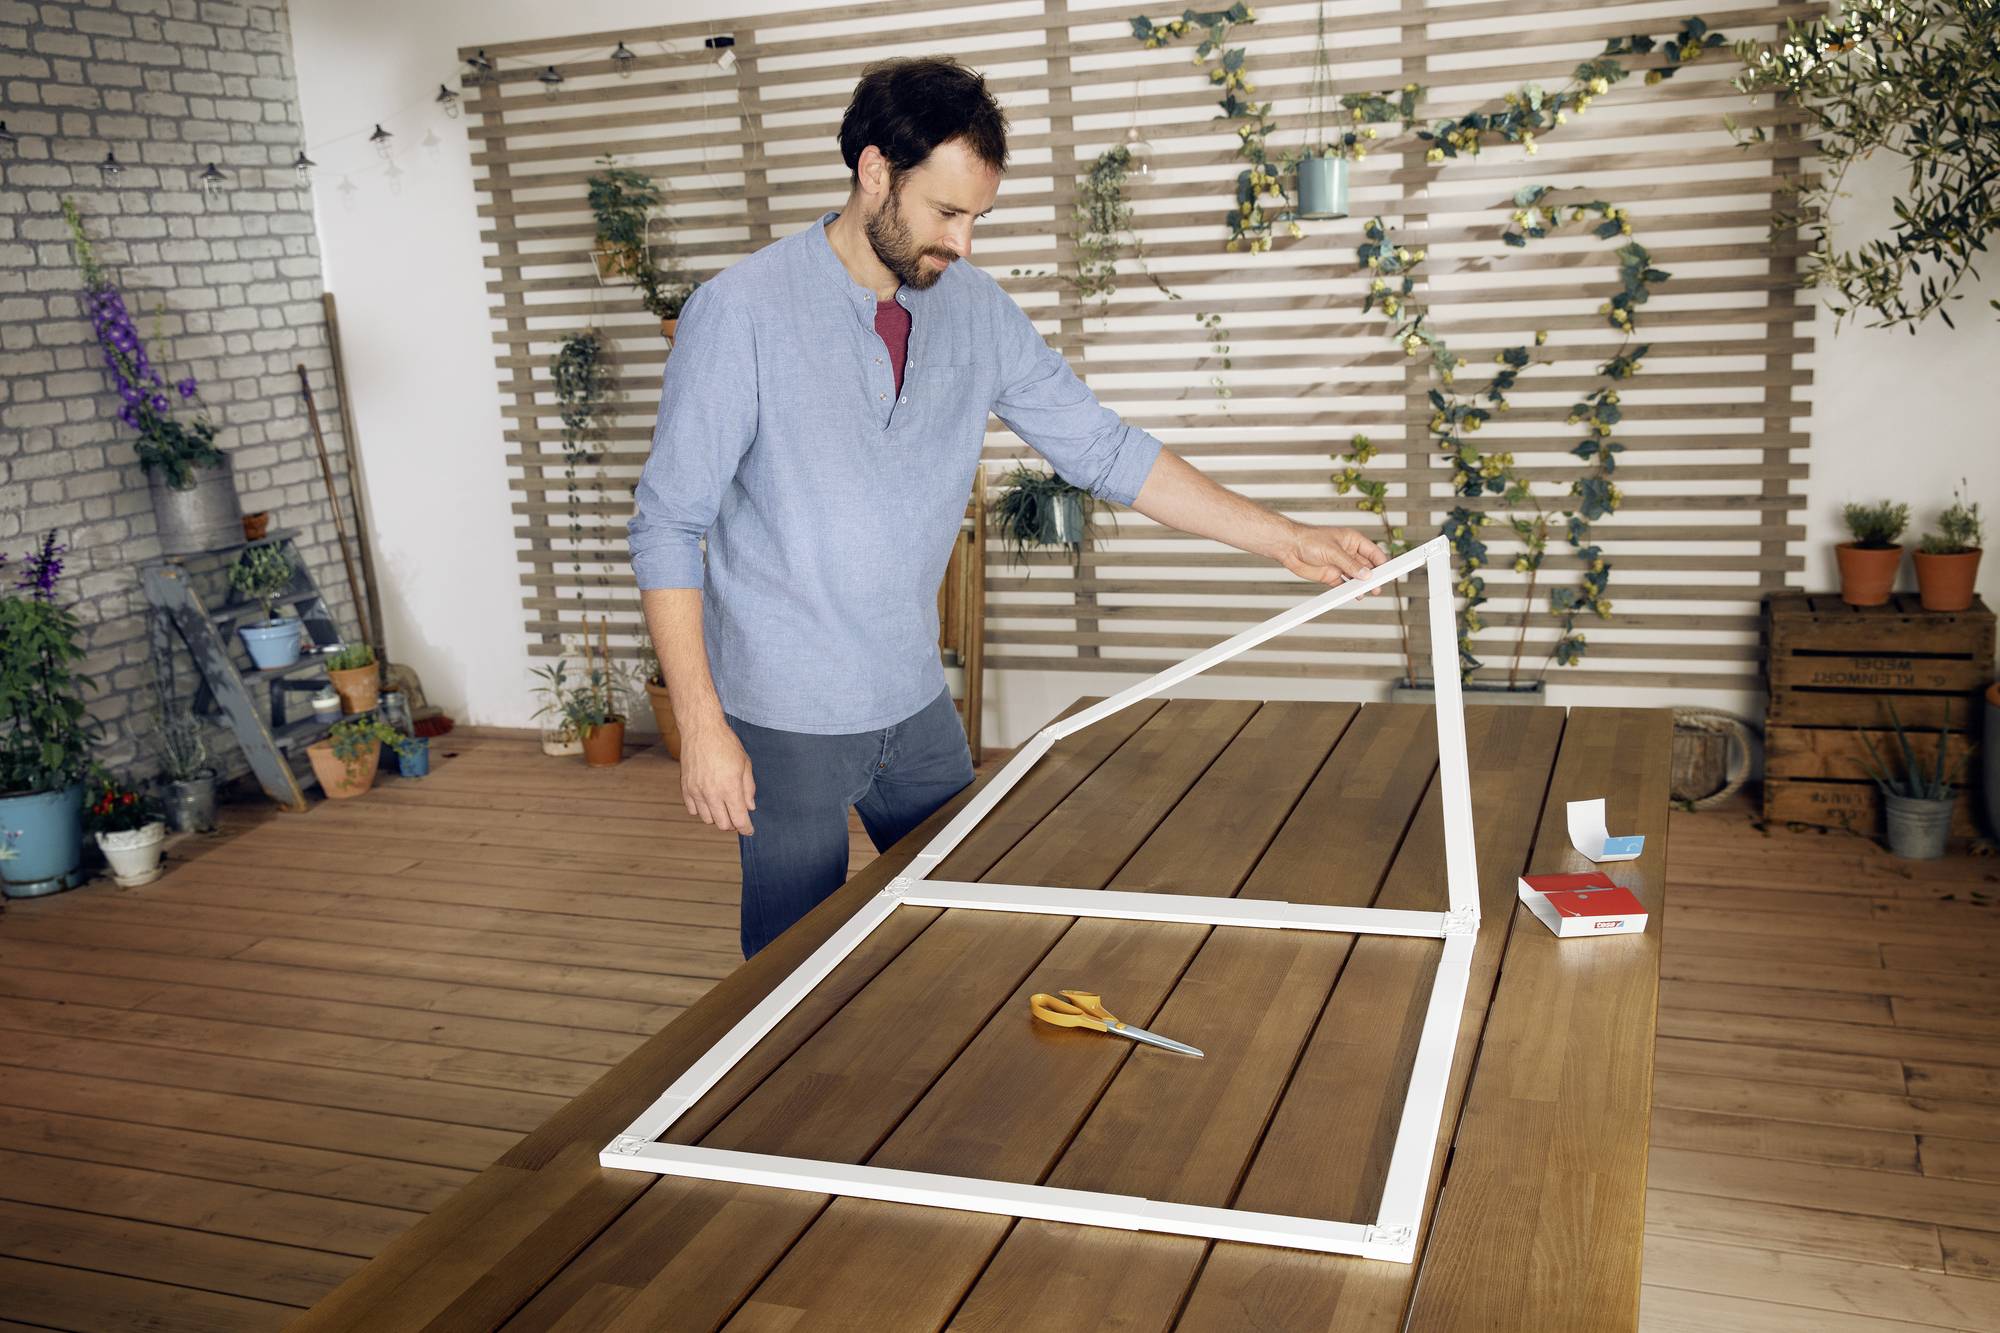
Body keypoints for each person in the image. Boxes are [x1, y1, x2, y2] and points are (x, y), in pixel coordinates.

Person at [631, 56, 1387, 958]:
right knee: (792, 976)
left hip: (913, 698)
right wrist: (702, 724)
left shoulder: (977, 310)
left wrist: (1285, 540)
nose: (964, 244)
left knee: (973, 929)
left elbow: (1103, 448)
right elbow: (668, 524)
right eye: (946, 213)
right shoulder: (739, 312)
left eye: (977, 219)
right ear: (874, 172)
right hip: (784, 716)